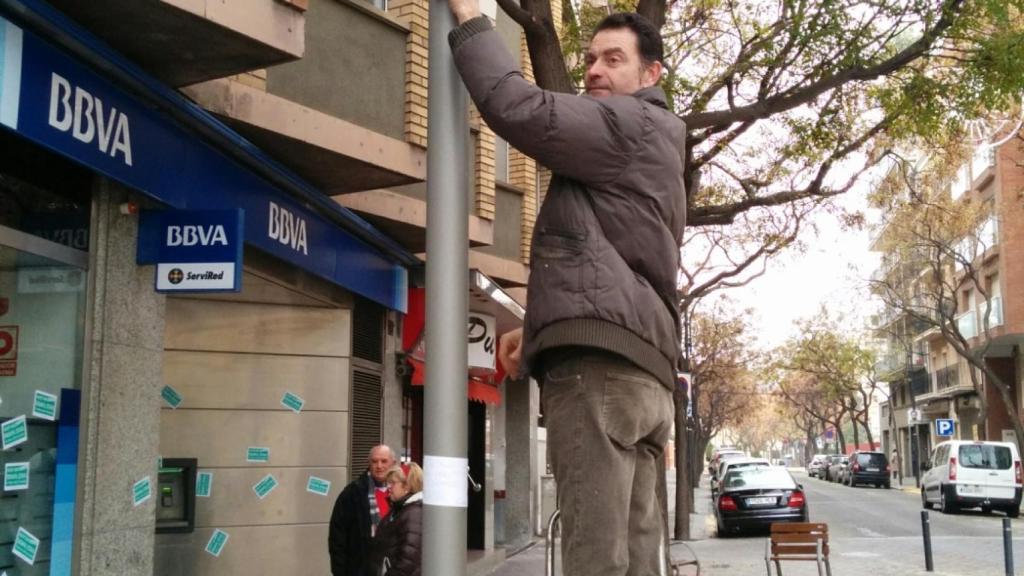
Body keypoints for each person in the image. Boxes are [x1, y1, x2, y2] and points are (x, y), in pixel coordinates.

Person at [446, 6, 685, 575]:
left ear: (651, 76)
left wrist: (473, 20)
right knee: (636, 561)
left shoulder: (628, 124)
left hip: (599, 375)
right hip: (645, 378)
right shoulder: (659, 149)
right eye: (591, 60)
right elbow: (608, 258)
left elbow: (516, 106)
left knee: (594, 560)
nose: (595, 70)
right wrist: (533, 334)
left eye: (614, 59)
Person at [329, 445, 397, 576]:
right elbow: (337, 537)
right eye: (374, 461)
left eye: (384, 461)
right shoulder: (353, 493)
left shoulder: (402, 492)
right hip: (361, 568)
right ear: (368, 463)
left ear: (393, 463)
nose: (379, 466)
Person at [369, 463, 424, 576]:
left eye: (393, 483)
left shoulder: (413, 514)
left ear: (407, 486)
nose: (388, 487)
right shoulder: (400, 509)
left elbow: (408, 560)